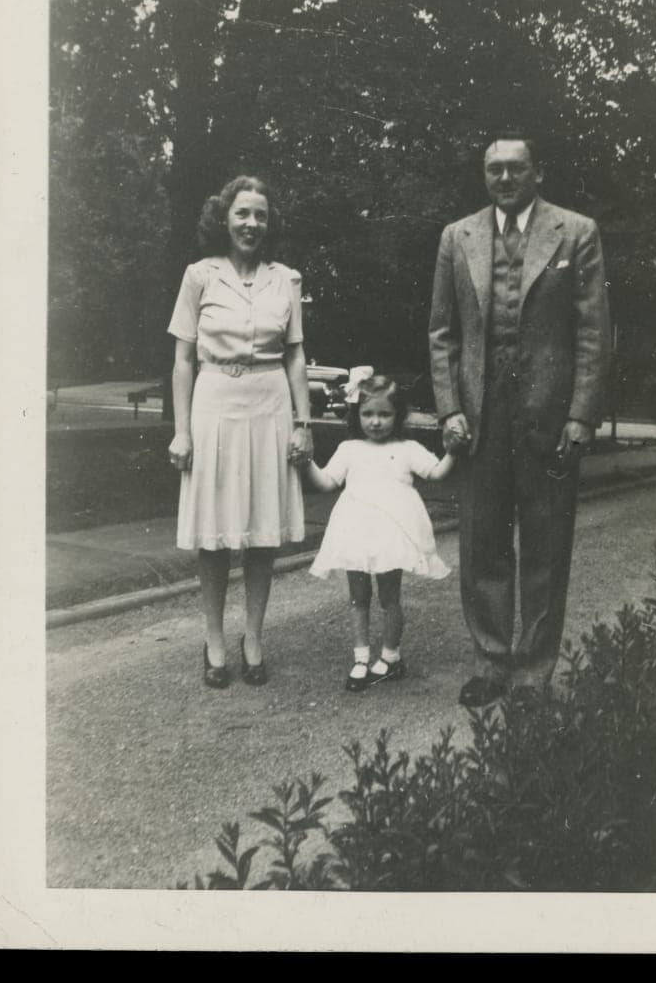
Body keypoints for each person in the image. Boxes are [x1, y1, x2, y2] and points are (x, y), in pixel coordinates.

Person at [429, 134, 611, 708]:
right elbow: (442, 334)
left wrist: (582, 415)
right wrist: (450, 408)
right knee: (482, 545)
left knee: (544, 546)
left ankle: (533, 672)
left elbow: (592, 332)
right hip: (481, 419)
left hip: (548, 421)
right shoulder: (457, 237)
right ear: (484, 176)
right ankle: (489, 661)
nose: (504, 179)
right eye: (494, 170)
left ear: (538, 172)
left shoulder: (575, 232)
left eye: (515, 168)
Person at [167, 175, 314, 689]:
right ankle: (214, 639)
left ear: (269, 225)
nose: (251, 224)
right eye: (242, 214)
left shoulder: (286, 280)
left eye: (260, 216)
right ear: (224, 219)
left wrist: (303, 422)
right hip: (214, 405)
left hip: (269, 404)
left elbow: (295, 354)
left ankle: (253, 636)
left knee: (260, 529)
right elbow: (183, 361)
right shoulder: (199, 276)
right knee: (214, 532)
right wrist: (181, 431)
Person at [302, 372, 457, 693]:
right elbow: (327, 482)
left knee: (389, 597)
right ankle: (360, 658)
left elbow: (436, 473)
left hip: (392, 533)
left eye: (384, 414)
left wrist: (452, 451)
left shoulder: (408, 448)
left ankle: (390, 656)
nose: (375, 422)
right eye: (368, 414)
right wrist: (306, 463)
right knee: (358, 597)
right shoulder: (349, 448)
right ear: (357, 415)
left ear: (398, 416)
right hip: (356, 531)